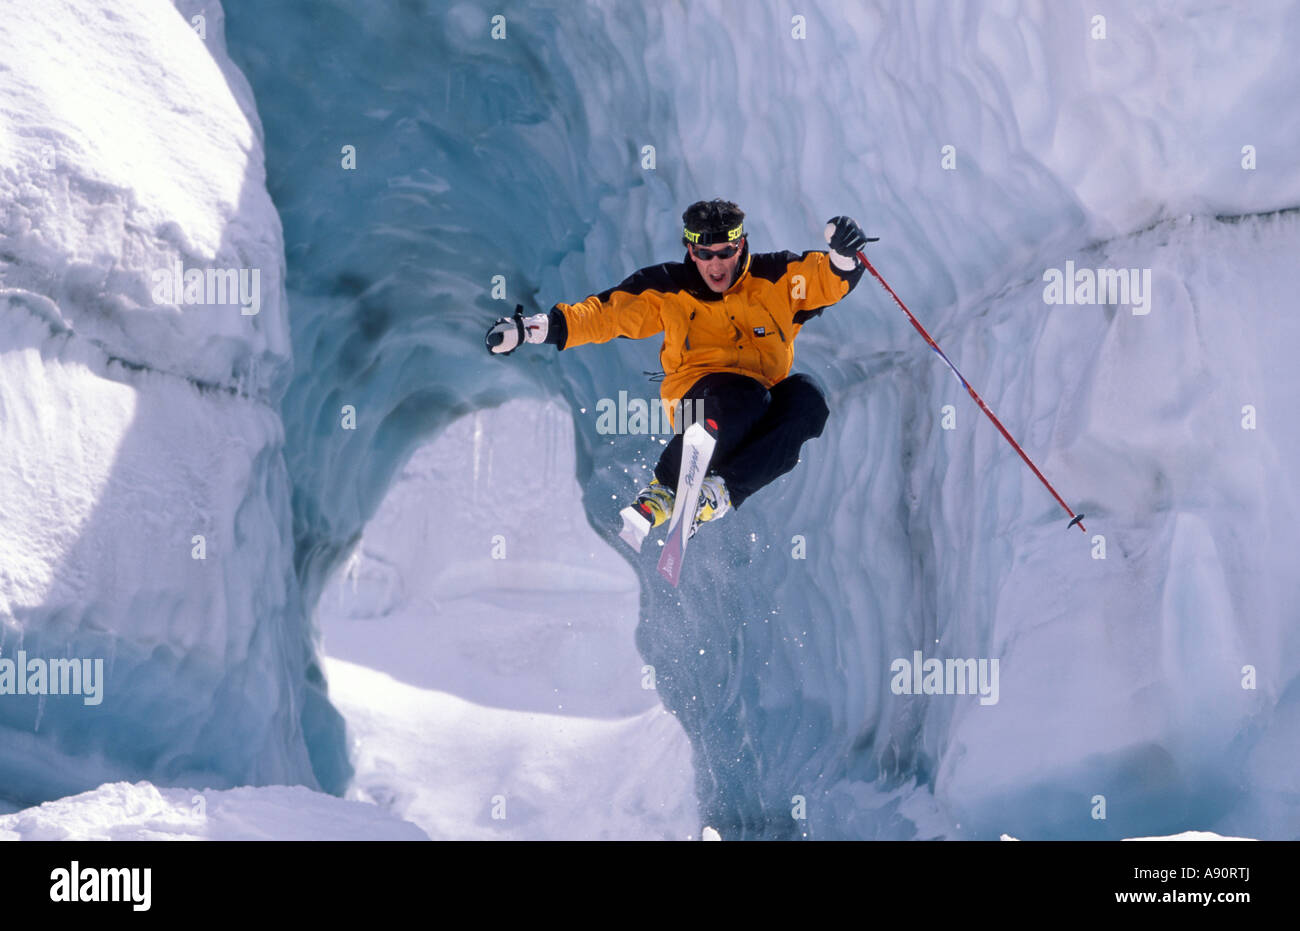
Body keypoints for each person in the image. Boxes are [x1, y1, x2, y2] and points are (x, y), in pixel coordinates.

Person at [486, 198, 870, 538]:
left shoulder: (776, 278)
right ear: (690, 248)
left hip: (760, 401)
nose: (716, 264)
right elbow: (604, 315)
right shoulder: (668, 288)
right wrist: (530, 331)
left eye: (725, 252)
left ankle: (720, 492)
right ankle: (666, 485)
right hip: (697, 402)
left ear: (741, 245)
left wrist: (844, 253)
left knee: (808, 399)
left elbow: (826, 278)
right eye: (705, 255)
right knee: (742, 398)